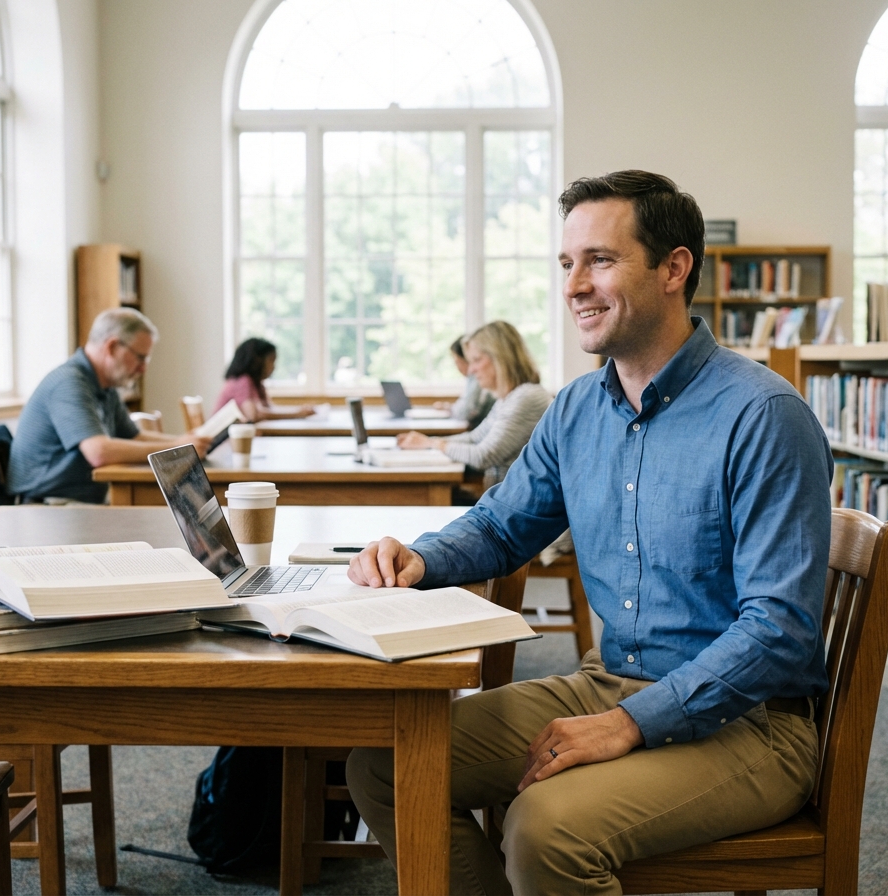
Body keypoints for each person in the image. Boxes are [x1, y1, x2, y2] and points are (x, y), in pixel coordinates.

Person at [345, 170, 834, 895]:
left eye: (600, 260)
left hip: (751, 722)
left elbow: (780, 631)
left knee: (546, 829)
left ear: (674, 268)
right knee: (383, 765)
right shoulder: (575, 411)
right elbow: (501, 527)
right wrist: (418, 557)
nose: (575, 284)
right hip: (607, 683)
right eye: (567, 264)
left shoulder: (762, 415)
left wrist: (631, 723)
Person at [7, 308, 211, 504]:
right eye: (141, 357)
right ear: (112, 347)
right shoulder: (69, 383)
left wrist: (185, 442)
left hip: (76, 502)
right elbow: (99, 453)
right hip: (48, 506)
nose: (143, 368)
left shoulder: (105, 385)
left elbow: (135, 437)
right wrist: (178, 448)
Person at [397, 321, 550, 492]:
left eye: (476, 360)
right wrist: (426, 442)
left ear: (501, 358)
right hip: (504, 498)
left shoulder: (526, 396)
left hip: (517, 506)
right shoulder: (508, 398)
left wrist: (433, 444)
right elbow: (474, 438)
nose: (471, 370)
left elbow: (484, 456)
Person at [215, 338, 315, 421]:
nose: (273, 367)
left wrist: (298, 410)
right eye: (271, 361)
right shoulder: (242, 381)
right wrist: (297, 414)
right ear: (257, 361)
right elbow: (253, 415)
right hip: (221, 443)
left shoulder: (256, 384)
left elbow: (270, 409)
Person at [439, 335, 495, 429]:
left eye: (457, 361)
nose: (471, 369)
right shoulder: (473, 379)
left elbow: (466, 412)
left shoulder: (480, 380)